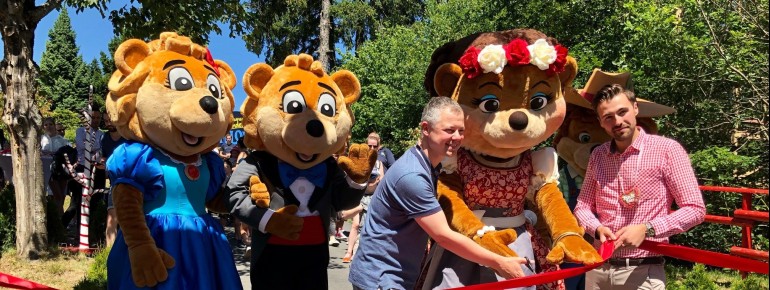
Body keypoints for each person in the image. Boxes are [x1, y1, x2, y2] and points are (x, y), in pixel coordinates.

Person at [349, 97, 527, 290]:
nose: (457, 137)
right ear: (426, 129)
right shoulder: (412, 176)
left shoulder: (427, 165)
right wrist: (497, 261)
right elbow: (443, 235)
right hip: (381, 278)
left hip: (391, 274)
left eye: (461, 131)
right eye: (449, 130)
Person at [574, 84, 706, 290]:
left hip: (643, 270)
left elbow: (695, 209)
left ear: (635, 108)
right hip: (598, 268)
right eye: (608, 117)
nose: (617, 121)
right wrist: (596, 228)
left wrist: (648, 229)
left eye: (622, 112)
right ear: (600, 122)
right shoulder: (598, 156)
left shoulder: (667, 150)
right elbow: (582, 206)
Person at [341, 135, 385, 263]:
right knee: (355, 225)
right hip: (360, 195)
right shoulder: (361, 160)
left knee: (364, 226)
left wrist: (376, 181)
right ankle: (349, 252)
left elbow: (382, 179)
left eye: (374, 146)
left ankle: (358, 252)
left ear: (378, 147)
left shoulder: (379, 163)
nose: (372, 148)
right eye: (369, 145)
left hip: (372, 197)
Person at [62, 107, 106, 229]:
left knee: (96, 200)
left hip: (97, 169)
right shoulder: (81, 131)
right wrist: (95, 148)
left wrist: (94, 149)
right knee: (77, 202)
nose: (95, 120)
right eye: (93, 117)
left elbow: (101, 149)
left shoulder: (102, 134)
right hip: (81, 168)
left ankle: (92, 230)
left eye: (98, 118)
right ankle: (63, 228)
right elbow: (83, 147)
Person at [101, 112, 126, 247]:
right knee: (111, 216)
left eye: (110, 120)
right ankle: (108, 252)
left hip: (130, 181)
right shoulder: (104, 138)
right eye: (105, 121)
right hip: (114, 182)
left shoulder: (128, 137)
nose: (108, 123)